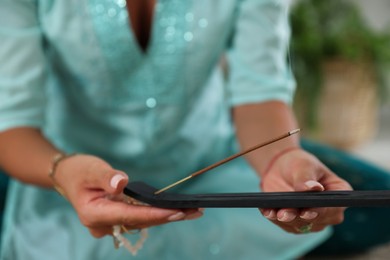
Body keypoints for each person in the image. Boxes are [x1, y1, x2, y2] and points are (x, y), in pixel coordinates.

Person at [0, 0, 351, 259]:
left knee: (351, 198)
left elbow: (259, 94)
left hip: (217, 162)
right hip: (58, 176)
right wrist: (62, 171)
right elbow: (10, 122)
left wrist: (283, 159)